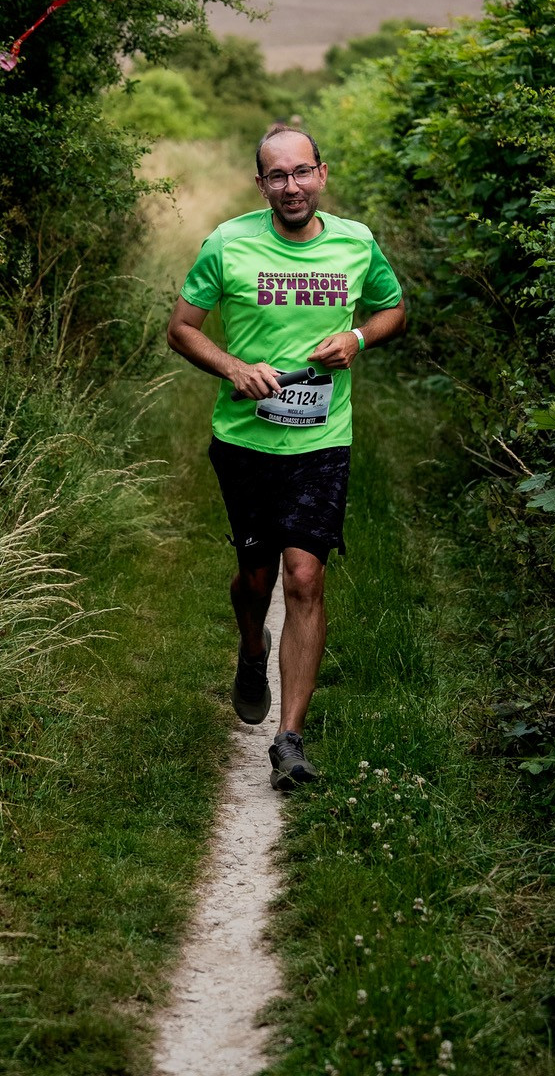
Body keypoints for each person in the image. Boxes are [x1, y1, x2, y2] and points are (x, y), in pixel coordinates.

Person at [167, 124, 405, 790]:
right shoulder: (228, 243)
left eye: (301, 173)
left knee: (304, 576)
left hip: (322, 440)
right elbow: (181, 329)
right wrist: (233, 366)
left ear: (321, 175)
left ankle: (290, 741)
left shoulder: (356, 242)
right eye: (277, 175)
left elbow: (394, 312)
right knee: (256, 578)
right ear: (261, 183)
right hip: (244, 440)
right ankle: (251, 648)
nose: (291, 186)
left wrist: (357, 336)